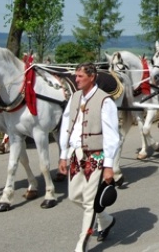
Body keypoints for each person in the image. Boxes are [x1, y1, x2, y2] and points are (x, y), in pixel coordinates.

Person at [58, 63, 121, 252]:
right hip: (76, 154)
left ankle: (81, 244)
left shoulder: (104, 101)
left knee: (88, 201)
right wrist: (63, 154)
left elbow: (112, 135)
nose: (76, 79)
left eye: (79, 76)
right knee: (74, 196)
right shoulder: (75, 97)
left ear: (91, 77)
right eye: (76, 76)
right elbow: (66, 125)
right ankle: (106, 220)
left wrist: (109, 165)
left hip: (96, 155)